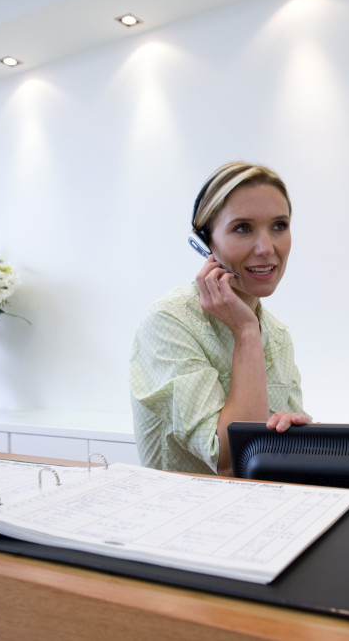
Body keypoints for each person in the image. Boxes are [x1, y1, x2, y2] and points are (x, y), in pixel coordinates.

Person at [130, 162, 311, 476]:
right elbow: (231, 460)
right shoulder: (169, 322)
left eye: (279, 226)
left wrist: (300, 434)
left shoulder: (277, 335)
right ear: (205, 242)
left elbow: (275, 455)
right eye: (242, 228)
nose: (267, 248)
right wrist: (245, 331)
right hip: (180, 518)